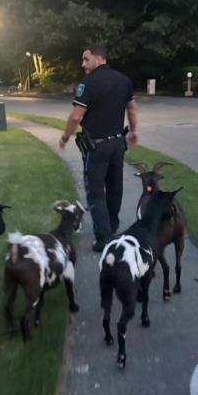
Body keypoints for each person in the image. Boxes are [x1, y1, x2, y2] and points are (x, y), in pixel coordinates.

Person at [59, 45, 138, 251]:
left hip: (97, 147)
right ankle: (112, 227)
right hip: (118, 144)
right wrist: (134, 131)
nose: (83, 64)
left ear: (99, 58)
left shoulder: (88, 83)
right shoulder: (124, 80)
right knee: (114, 188)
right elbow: (132, 109)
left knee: (96, 193)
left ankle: (104, 239)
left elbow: (76, 116)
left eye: (86, 59)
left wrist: (66, 136)